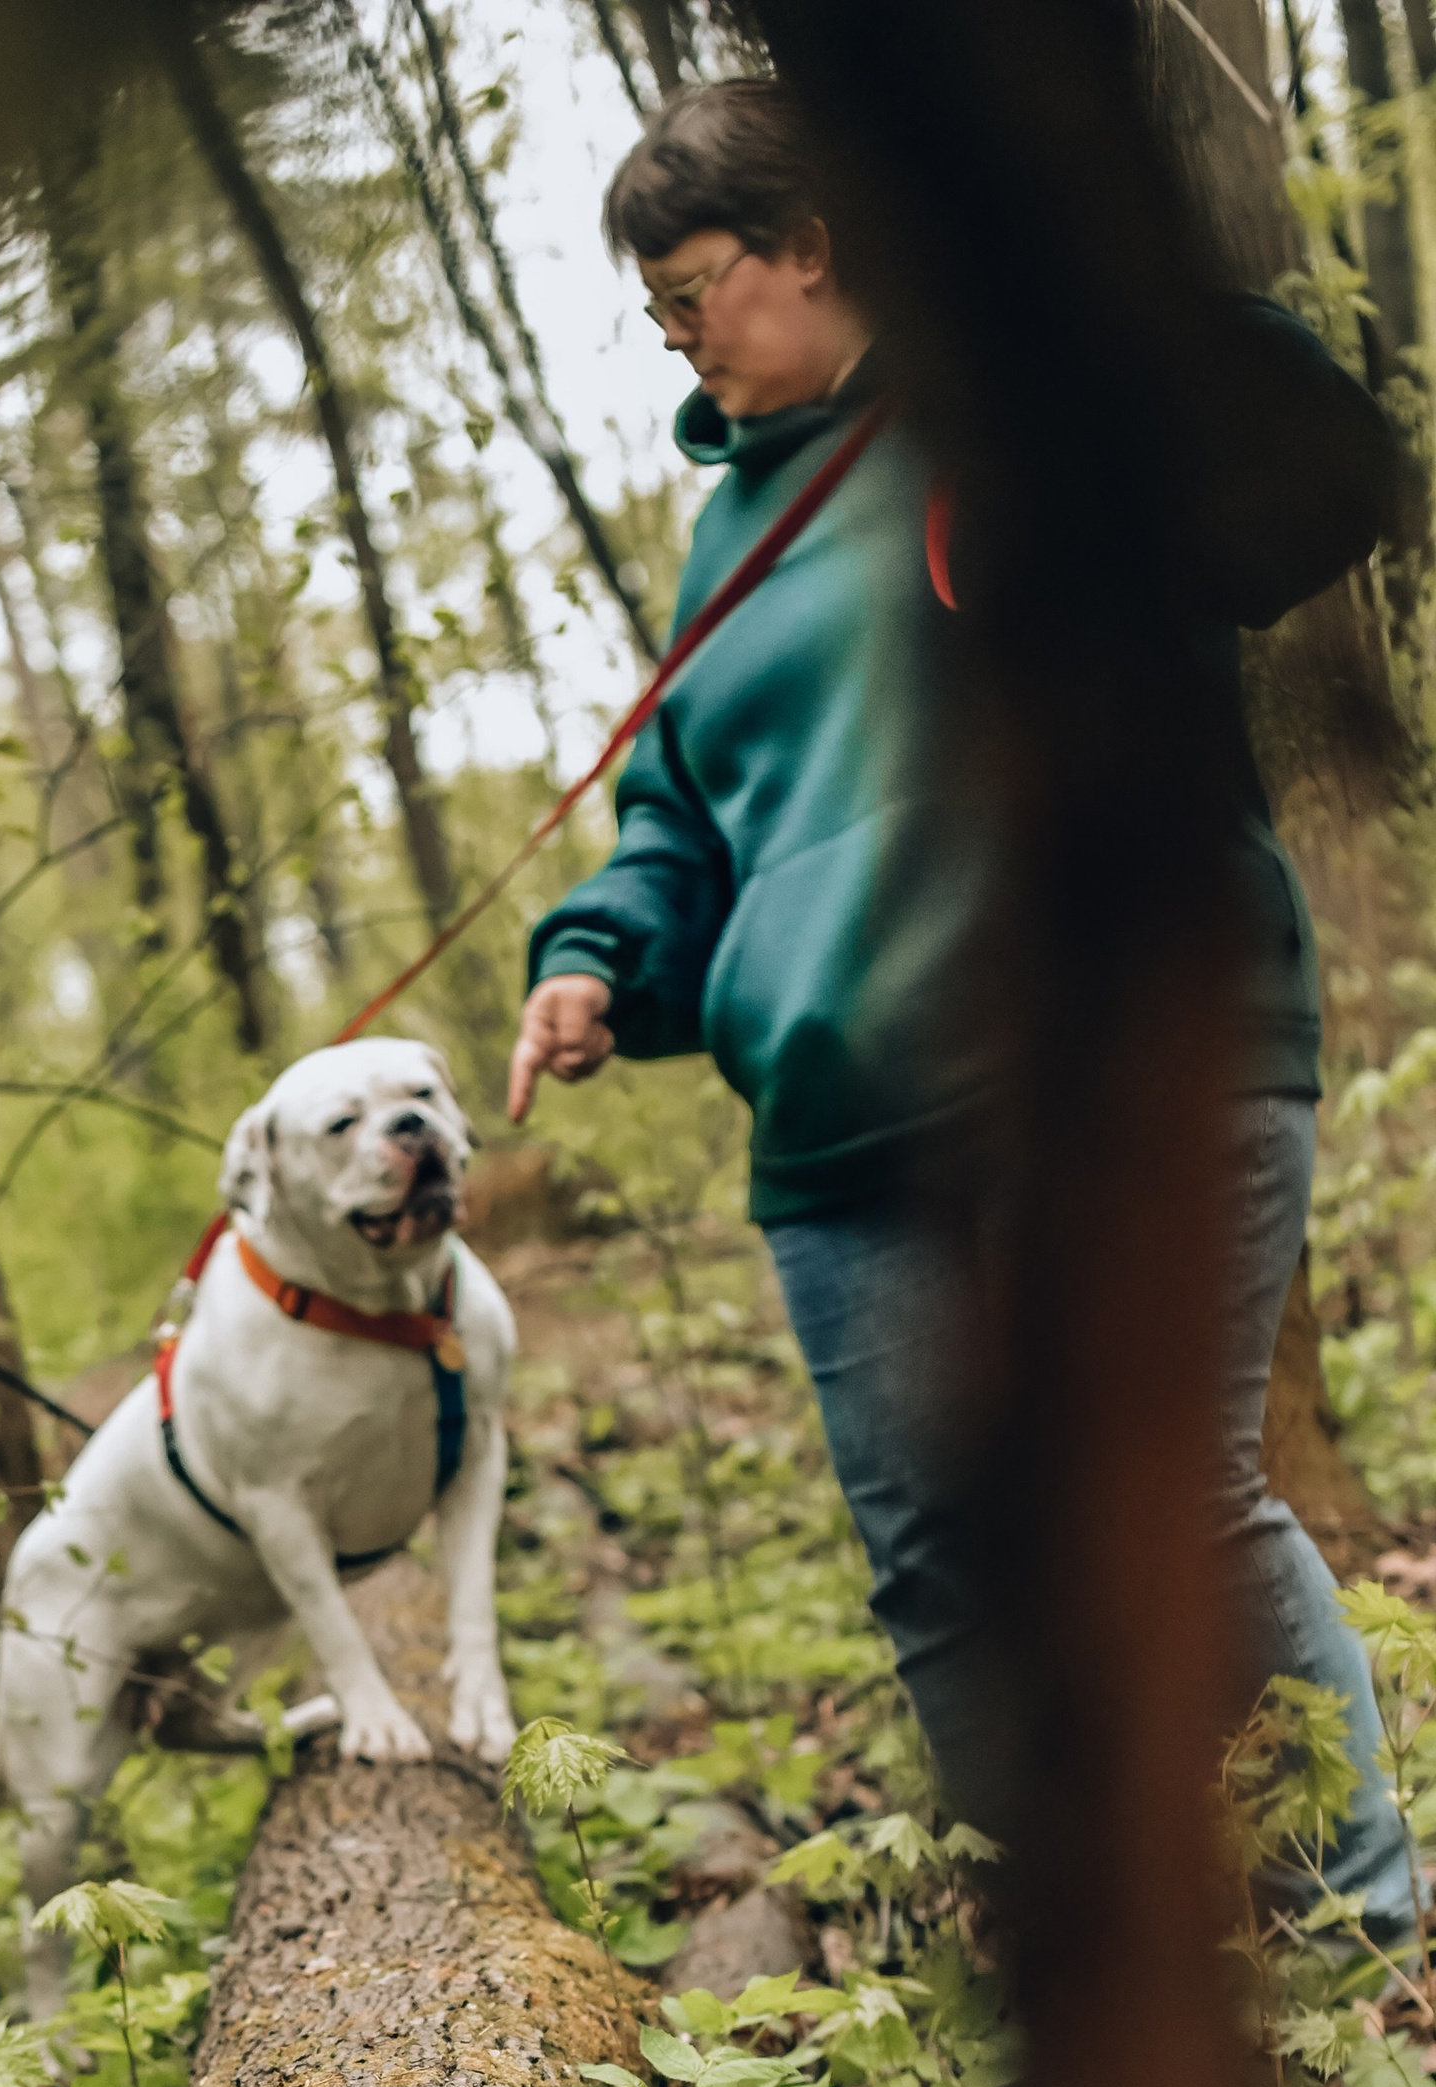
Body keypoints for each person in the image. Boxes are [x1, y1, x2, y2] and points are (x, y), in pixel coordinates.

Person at [508, 74, 1419, 1960]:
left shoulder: (1032, 406)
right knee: (948, 1575)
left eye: (689, 290)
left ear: (811, 247)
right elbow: (681, 824)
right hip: (847, 1142)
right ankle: (1089, 1960)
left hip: (1117, 1057)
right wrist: (593, 959)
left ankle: (1355, 1937)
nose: (672, 335)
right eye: (652, 307)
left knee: (1176, 1504)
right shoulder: (726, 543)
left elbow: (1313, 468)